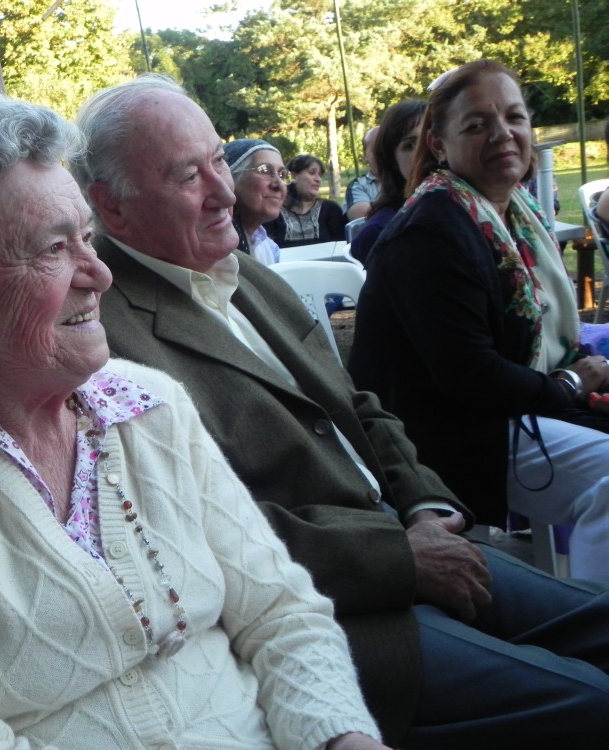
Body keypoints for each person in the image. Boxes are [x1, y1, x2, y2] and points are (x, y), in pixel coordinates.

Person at [0, 91, 386, 750]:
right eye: (53, 249)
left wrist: (340, 737)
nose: (100, 273)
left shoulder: (150, 405)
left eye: (87, 236)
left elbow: (281, 615)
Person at [72, 72, 609, 749]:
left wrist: (425, 503)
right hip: (335, 611)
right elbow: (191, 534)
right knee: (592, 705)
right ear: (110, 208)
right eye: (188, 177)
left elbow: (357, 405)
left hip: (413, 537)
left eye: (218, 159)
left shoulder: (242, 273)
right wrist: (400, 555)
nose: (224, 190)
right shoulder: (106, 339)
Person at [348, 59, 609, 586]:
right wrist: (573, 384)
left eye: (514, 117)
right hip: (440, 436)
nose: (503, 134)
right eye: (476, 125)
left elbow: (533, 339)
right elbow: (470, 376)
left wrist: (577, 372)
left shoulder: (512, 216)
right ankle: (592, 635)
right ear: (439, 145)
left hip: (498, 413)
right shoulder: (433, 229)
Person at [349, 100, 427, 266]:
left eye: (431, 138)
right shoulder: (381, 233)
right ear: (392, 160)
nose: (426, 151)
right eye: (411, 145)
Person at [223, 138, 286, 265]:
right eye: (265, 171)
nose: (279, 185)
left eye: (282, 174)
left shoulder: (269, 249)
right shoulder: (212, 249)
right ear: (230, 179)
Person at [265, 153, 346, 247]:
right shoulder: (274, 210)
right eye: (312, 173)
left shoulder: (330, 209)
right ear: (294, 175)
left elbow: (341, 246)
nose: (318, 179)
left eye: (320, 175)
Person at [344, 126, 380, 220]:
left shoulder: (407, 178)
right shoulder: (358, 185)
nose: (382, 152)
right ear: (365, 155)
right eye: (376, 148)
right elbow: (361, 216)